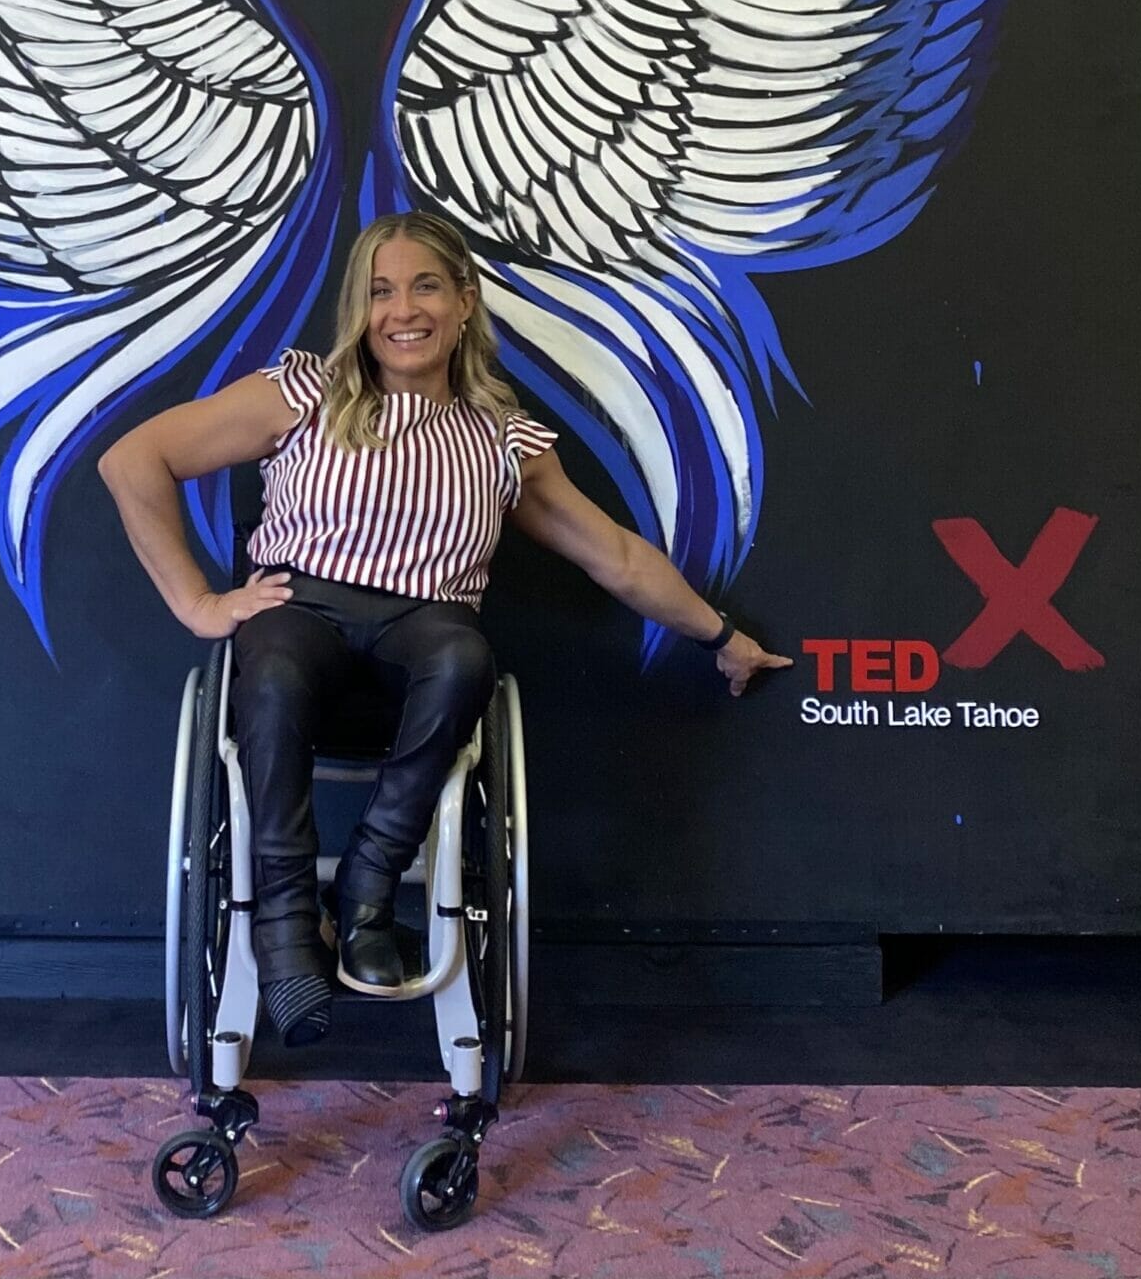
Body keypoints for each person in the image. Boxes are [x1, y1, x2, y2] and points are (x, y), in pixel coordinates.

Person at [98, 211, 791, 1046]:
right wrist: (196, 604)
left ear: (464, 301)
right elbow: (133, 459)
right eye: (380, 291)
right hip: (302, 614)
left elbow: (614, 556)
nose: (402, 309)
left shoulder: (502, 439)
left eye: (424, 285)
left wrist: (721, 639)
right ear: (361, 309)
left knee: (465, 656)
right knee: (270, 668)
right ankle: (284, 925)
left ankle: (365, 891)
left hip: (424, 632)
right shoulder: (304, 391)